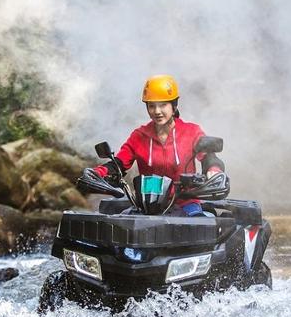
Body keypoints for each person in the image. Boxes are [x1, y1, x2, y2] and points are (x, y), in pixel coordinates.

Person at [91, 74, 224, 216]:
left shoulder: (191, 132)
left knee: (198, 227)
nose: (157, 111)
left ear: (174, 106)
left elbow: (209, 158)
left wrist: (214, 171)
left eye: (163, 105)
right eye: (152, 106)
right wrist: (98, 173)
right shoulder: (139, 135)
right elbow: (119, 164)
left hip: (185, 204)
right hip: (147, 207)